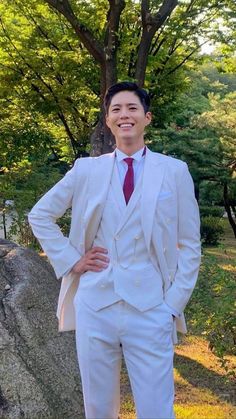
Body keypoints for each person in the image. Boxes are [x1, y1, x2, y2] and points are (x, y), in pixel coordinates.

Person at [28, 81, 201, 419]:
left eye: (132, 108)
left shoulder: (174, 171)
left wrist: (172, 305)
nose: (125, 115)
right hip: (96, 304)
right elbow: (41, 214)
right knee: (98, 408)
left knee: (156, 409)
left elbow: (190, 244)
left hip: (151, 307)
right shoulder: (86, 170)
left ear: (147, 117)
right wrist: (72, 261)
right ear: (107, 120)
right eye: (116, 109)